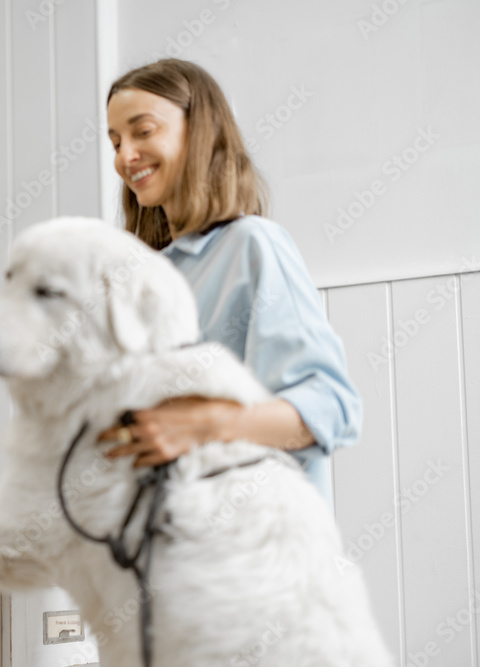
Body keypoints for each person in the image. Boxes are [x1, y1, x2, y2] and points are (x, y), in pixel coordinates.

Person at [98, 59, 360, 502]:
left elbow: (330, 408)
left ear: (200, 131)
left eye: (143, 131)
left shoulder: (252, 246)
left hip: (258, 554)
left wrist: (202, 425)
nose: (125, 156)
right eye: (116, 141)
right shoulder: (147, 278)